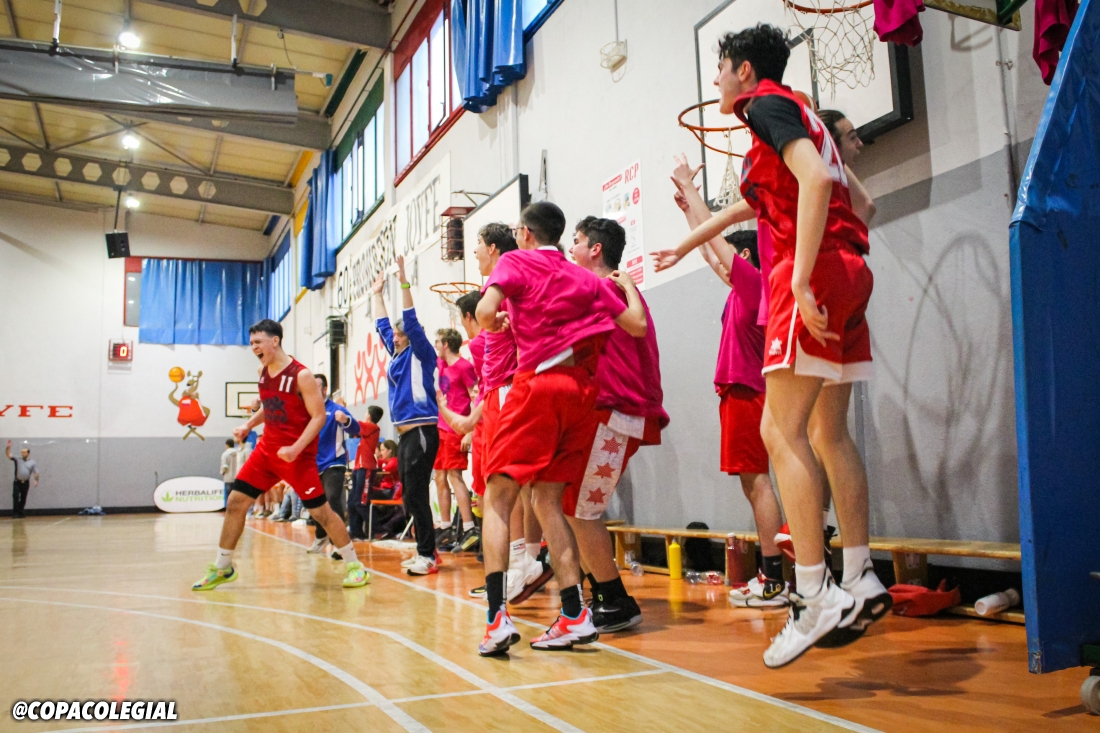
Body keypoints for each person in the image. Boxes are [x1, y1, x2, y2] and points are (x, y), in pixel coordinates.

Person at [653, 24, 889, 668]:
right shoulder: (802, 117)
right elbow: (856, 201)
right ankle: (860, 572)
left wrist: (805, 273)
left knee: (778, 433)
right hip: (850, 270)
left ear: (746, 71)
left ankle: (814, 593)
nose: (716, 81)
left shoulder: (766, 107)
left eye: (721, 68)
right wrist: (685, 239)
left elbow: (814, 185)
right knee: (826, 433)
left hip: (809, 276)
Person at [475, 201, 648, 656]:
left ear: (525, 234)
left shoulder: (514, 261)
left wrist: (502, 319)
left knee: (498, 499)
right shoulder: (586, 278)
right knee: (549, 500)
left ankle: (496, 620)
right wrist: (628, 286)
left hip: (538, 386)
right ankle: (574, 613)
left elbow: (484, 314)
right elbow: (636, 324)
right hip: (581, 395)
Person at [668, 159, 788, 609]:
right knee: (753, 484)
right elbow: (710, 252)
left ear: (748, 257)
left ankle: (773, 578)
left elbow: (716, 246)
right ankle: (773, 574)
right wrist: (689, 213)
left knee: (758, 484)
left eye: (732, 259)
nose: (724, 266)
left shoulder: (756, 283)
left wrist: (691, 193)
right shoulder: (744, 289)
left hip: (748, 394)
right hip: (744, 394)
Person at [191, 319, 369, 591]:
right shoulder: (263, 370)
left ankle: (355, 566)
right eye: (251, 343)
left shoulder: (302, 375)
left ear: (275, 341)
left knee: (322, 513)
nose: (254, 348)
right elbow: (271, 406)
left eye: (258, 342)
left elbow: (319, 416)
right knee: (236, 502)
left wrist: (296, 448)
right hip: (266, 453)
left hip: (297, 457)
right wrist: (249, 424)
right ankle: (223, 567)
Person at [439, 224, 553, 604]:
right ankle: (525, 561)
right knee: (518, 487)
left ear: (492, 248)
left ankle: (523, 560)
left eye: (476, 247)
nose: (473, 254)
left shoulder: (508, 284)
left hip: (512, 391)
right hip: (502, 394)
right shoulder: (507, 290)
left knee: (511, 488)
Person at [568, 216, 669, 633]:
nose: (569, 248)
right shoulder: (614, 287)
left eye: (575, 241)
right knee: (573, 506)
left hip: (616, 410)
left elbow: (637, 326)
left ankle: (615, 601)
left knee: (580, 508)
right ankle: (603, 594)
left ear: (595, 248)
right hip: (610, 410)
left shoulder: (608, 287)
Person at [373, 255, 441, 576]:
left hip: (422, 432)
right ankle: (426, 551)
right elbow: (382, 326)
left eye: (402, 333)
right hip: (405, 436)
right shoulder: (397, 355)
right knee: (409, 500)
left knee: (416, 495)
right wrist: (376, 294)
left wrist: (402, 281)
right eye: (397, 334)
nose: (397, 335)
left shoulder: (420, 352)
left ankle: (427, 556)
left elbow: (408, 321)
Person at [432, 327, 479, 552]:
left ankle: (469, 528)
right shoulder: (441, 365)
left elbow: (475, 397)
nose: (435, 345)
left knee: (454, 475)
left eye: (437, 342)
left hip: (456, 428)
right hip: (440, 428)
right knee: (439, 477)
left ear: (446, 344)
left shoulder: (464, 367)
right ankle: (446, 527)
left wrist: (470, 430)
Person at [307, 374, 361, 556]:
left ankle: (340, 544)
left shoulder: (337, 409)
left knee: (332, 499)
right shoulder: (307, 410)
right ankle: (321, 537)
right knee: (315, 504)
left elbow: (356, 429)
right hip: (313, 464)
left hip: (334, 463)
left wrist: (345, 420)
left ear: (324, 389)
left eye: (316, 387)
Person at [348, 405, 384, 540]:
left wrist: (343, 411)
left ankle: (379, 529)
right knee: (352, 502)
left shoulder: (372, 427)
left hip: (366, 468)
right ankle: (356, 531)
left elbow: (354, 424)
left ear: (369, 415)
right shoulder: (366, 430)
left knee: (361, 502)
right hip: (358, 467)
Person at [5, 440, 38, 519]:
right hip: (17, 482)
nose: (22, 454)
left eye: (24, 452)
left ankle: (21, 512)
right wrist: (8, 447)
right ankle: (15, 513)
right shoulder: (17, 459)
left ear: (28, 453)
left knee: (23, 497)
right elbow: (8, 455)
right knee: (15, 496)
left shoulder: (32, 462)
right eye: (22, 452)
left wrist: (36, 480)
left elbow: (36, 472)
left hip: (25, 482)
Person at [220, 439, 238, 509]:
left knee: (228, 495)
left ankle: (229, 509)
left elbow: (225, 466)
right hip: (237, 477)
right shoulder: (238, 453)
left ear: (227, 445)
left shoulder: (225, 454)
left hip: (228, 477)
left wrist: (223, 472)